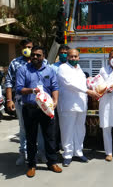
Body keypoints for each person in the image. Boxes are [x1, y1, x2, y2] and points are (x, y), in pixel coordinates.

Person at [16, 46, 62, 178]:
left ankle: (52, 162)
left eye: (38, 55)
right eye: (33, 55)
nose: (35, 57)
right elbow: (19, 89)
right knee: (31, 138)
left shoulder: (50, 70)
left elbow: (55, 87)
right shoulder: (23, 70)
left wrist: (55, 101)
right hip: (30, 108)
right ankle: (31, 165)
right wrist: (32, 90)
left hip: (46, 109)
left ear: (44, 57)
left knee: (50, 136)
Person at [5, 39, 46, 166]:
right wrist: (9, 100)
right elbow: (9, 82)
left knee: (39, 127)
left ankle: (41, 153)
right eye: (26, 47)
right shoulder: (15, 63)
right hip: (21, 101)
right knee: (23, 128)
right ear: (21, 48)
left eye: (30, 47)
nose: (28, 49)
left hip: (39, 101)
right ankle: (23, 154)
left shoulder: (41, 62)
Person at [57, 49, 100, 167]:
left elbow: (83, 84)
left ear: (79, 58)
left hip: (81, 105)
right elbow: (69, 84)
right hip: (68, 105)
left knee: (80, 130)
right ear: (67, 57)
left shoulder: (80, 69)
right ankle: (67, 155)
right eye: (71, 56)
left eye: (75, 56)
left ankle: (78, 152)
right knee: (67, 130)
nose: (73, 58)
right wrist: (88, 91)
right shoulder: (63, 68)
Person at [51, 45, 70, 151]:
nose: (63, 54)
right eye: (61, 52)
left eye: (65, 52)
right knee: (56, 125)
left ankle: (65, 144)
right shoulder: (53, 67)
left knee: (67, 124)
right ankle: (56, 146)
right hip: (56, 99)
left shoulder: (72, 67)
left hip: (68, 100)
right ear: (58, 54)